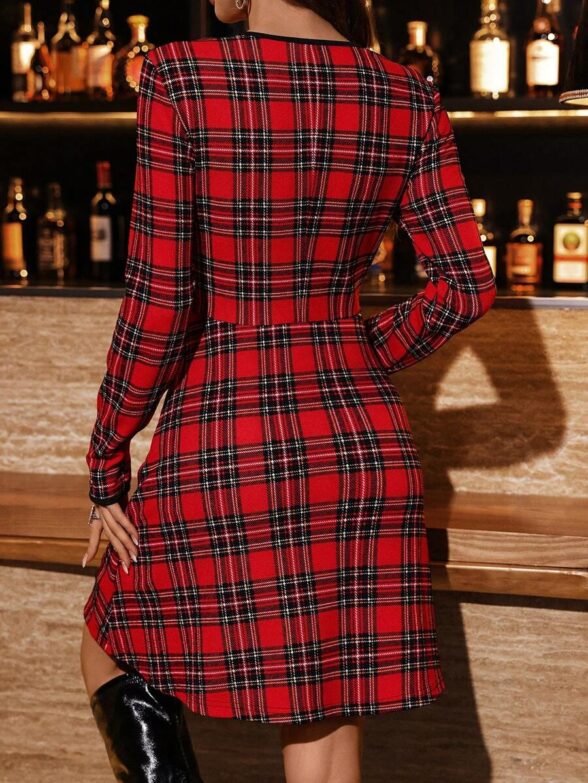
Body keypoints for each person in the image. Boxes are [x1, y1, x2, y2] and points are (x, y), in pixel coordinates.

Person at [79, 0, 497, 781]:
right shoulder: (407, 93)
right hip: (359, 443)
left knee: (110, 640)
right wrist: (353, 351)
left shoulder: (181, 76)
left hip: (226, 437)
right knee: (323, 727)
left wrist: (107, 455)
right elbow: (467, 284)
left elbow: (161, 301)